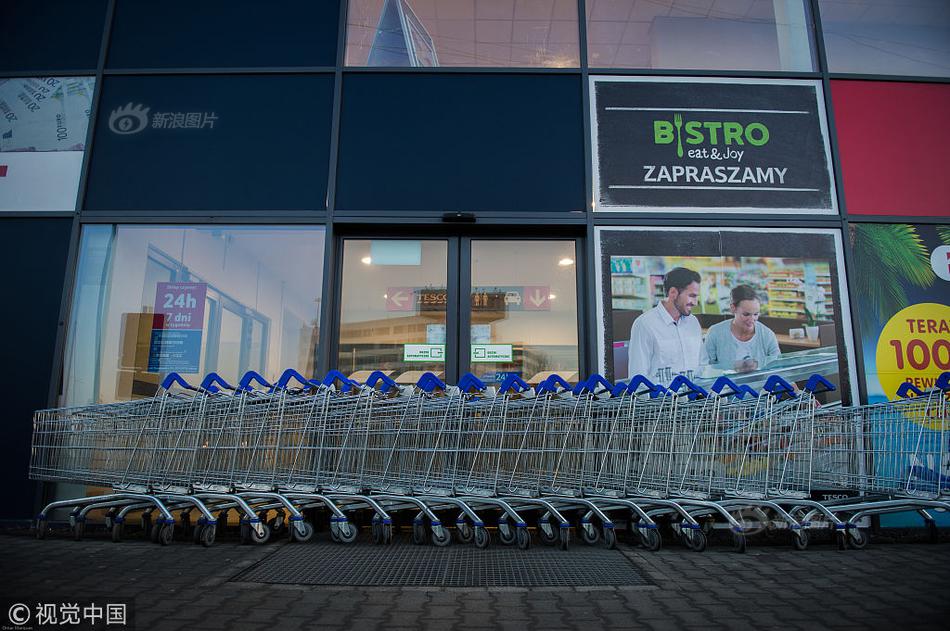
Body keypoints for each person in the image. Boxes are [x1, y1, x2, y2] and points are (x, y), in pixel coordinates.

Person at [627, 267, 702, 382]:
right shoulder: (645, 324)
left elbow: (702, 364)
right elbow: (638, 376)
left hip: (694, 398)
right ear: (673, 292)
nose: (695, 302)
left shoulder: (693, 322)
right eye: (692, 296)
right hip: (661, 399)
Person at [701, 284, 780, 373]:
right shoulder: (715, 333)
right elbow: (705, 368)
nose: (752, 320)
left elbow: (777, 367)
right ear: (733, 308)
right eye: (746, 314)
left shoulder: (767, 335)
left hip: (760, 386)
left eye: (756, 314)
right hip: (726, 385)